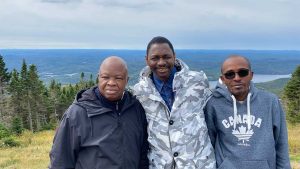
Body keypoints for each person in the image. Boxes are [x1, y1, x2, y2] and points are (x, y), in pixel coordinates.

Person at [49, 56, 149, 169]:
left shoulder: (135, 109)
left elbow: (143, 154)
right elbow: (60, 161)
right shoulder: (78, 113)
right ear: (98, 78)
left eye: (118, 78)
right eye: (105, 77)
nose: (111, 83)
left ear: (127, 80)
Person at [134, 36, 216, 169]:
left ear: (174, 56)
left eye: (166, 57)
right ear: (147, 60)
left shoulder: (197, 82)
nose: (161, 62)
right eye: (155, 58)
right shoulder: (140, 92)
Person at [204, 55, 291, 169]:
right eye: (230, 74)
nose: (237, 78)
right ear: (223, 79)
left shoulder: (270, 101)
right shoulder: (214, 104)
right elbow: (209, 144)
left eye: (242, 72)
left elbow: (281, 143)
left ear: (251, 75)